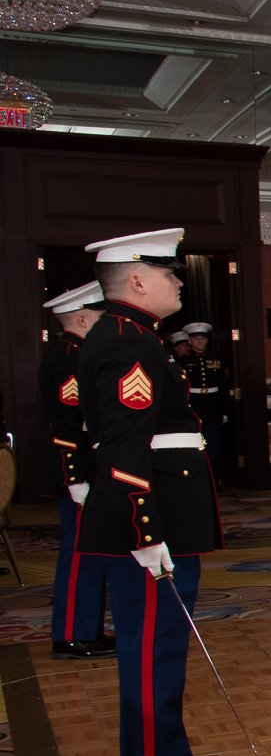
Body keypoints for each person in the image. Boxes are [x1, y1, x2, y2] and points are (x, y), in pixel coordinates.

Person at [78, 230, 232, 756]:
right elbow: (124, 448)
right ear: (138, 280)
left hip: (158, 517)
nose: (177, 281)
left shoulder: (134, 337)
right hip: (149, 523)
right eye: (169, 273)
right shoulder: (127, 344)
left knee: (159, 646)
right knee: (152, 650)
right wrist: (146, 532)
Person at [39, 281, 113, 660]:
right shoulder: (69, 357)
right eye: (100, 317)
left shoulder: (77, 352)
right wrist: (76, 478)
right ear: (83, 318)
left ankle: (88, 630)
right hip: (79, 473)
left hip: (88, 469)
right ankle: (71, 634)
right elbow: (68, 426)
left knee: (92, 553)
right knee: (79, 554)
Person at [182, 321, 232, 479]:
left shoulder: (216, 359)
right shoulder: (183, 361)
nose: (200, 341)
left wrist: (224, 410)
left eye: (202, 338)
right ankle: (197, 478)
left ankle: (214, 478)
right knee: (194, 445)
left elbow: (223, 386)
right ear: (189, 341)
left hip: (213, 407)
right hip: (193, 406)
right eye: (196, 338)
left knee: (214, 445)